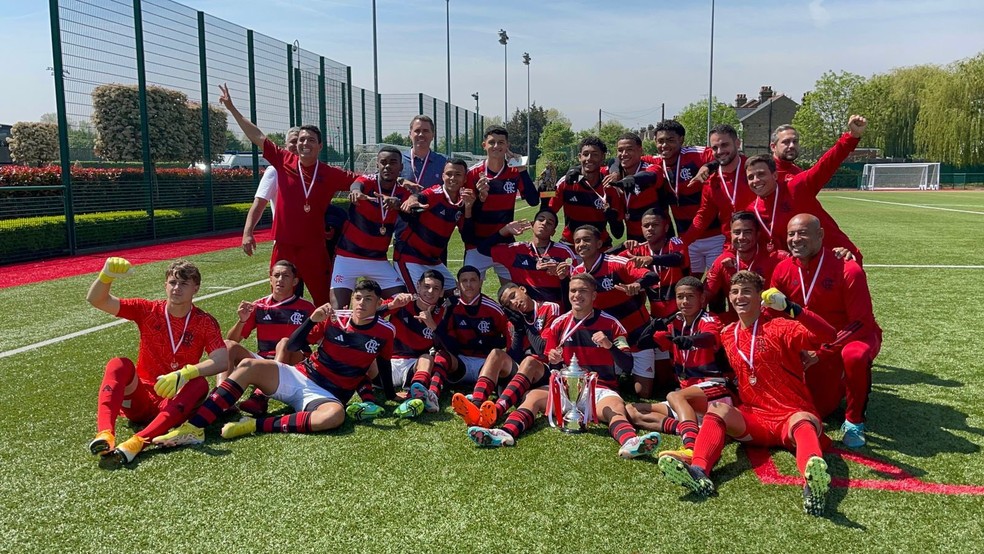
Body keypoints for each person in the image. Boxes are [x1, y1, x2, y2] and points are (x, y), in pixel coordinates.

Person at [658, 270, 838, 516]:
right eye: (734, 291)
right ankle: (699, 472)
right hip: (756, 418)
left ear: (760, 297)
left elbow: (829, 335)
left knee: (803, 421)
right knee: (718, 409)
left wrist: (791, 307)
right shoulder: (728, 334)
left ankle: (813, 485)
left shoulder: (781, 327)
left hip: (791, 414)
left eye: (746, 291)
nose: (739, 296)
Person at [152, 280, 396, 444]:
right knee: (249, 366)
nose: (361, 304)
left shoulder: (386, 331)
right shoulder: (334, 319)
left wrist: (391, 397)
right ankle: (194, 428)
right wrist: (311, 321)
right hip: (301, 376)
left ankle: (255, 424)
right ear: (351, 300)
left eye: (368, 299)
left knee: (334, 417)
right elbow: (292, 345)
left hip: (326, 397)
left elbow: (383, 365)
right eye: (358, 298)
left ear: (378, 304)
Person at [467, 273, 662, 459]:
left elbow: (627, 365)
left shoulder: (612, 324)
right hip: (565, 388)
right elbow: (552, 359)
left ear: (594, 295)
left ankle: (630, 442)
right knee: (533, 397)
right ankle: (504, 432)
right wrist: (553, 357)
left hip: (599, 388)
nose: (577, 295)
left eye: (583, 291)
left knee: (615, 408)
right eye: (573, 291)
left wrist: (610, 346)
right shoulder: (559, 324)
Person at [219, 83, 361, 306]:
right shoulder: (283, 160)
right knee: (279, 299)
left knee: (325, 300)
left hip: (314, 248)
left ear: (320, 146)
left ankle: (329, 340)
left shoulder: (330, 173)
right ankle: (283, 339)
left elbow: (361, 179)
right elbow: (256, 135)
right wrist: (232, 108)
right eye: (301, 139)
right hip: (284, 246)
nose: (305, 143)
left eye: (311, 140)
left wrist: (390, 182)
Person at [86, 258, 228, 465]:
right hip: (141, 399)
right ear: (165, 285)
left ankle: (139, 441)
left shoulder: (204, 322)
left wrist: (185, 374)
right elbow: (97, 300)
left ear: (195, 288)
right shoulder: (147, 310)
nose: (176, 288)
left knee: (199, 384)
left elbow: (222, 360)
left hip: (172, 402)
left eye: (184, 283)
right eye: (172, 282)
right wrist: (105, 276)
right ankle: (105, 434)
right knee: (119, 364)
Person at [769, 214, 882, 447]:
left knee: (854, 356)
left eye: (803, 233)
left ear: (820, 235)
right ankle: (843, 385)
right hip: (809, 342)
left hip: (851, 338)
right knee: (821, 407)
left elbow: (861, 323)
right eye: (791, 234)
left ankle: (854, 420)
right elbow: (773, 316)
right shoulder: (782, 270)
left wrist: (821, 353)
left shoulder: (848, 269)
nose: (796, 239)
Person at [626, 277, 731, 462]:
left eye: (690, 297)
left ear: (702, 300)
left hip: (716, 391)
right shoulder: (675, 323)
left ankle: (690, 448)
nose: (685, 302)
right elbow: (641, 343)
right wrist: (651, 328)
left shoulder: (710, 319)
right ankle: (690, 428)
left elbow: (709, 338)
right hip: (687, 397)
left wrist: (691, 340)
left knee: (674, 396)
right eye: (680, 297)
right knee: (632, 411)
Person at [745, 115, 868, 262]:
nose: (756, 180)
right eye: (786, 142)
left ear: (775, 176)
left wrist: (851, 137)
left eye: (795, 141)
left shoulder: (796, 179)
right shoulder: (754, 202)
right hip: (791, 260)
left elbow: (826, 165)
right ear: (773, 146)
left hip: (830, 250)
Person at [451, 282, 561, 429]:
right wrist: (518, 329)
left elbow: (542, 349)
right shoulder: (514, 321)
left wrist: (525, 325)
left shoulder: (549, 308)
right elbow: (514, 356)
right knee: (496, 353)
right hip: (523, 372)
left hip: (547, 371)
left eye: (513, 296)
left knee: (529, 361)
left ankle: (497, 410)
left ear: (523, 289)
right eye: (509, 304)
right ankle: (476, 405)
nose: (514, 303)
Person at [570, 225, 661, 398]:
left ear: (599, 243)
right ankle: (620, 370)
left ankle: (629, 370)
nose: (582, 244)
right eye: (577, 241)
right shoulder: (577, 272)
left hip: (638, 334)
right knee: (606, 386)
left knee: (644, 393)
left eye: (587, 240)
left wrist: (637, 285)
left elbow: (652, 276)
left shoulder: (616, 263)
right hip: (610, 340)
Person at [618, 120, 718, 276]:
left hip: (714, 235)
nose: (664, 145)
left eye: (670, 140)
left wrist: (707, 167)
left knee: (715, 290)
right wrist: (615, 171)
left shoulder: (696, 154)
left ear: (681, 140)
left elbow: (725, 155)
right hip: (686, 238)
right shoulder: (657, 161)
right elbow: (622, 158)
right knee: (688, 286)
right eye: (660, 141)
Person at [222, 260, 316, 415]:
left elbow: (321, 339)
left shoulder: (307, 308)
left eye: (285, 276)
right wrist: (242, 320)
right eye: (276, 275)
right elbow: (233, 340)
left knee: (286, 342)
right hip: (265, 360)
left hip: (294, 363)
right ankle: (223, 399)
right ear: (270, 279)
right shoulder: (258, 306)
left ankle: (260, 398)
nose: (280, 279)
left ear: (295, 281)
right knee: (228, 345)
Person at [610, 208, 689, 390]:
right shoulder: (637, 249)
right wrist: (623, 246)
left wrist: (651, 260)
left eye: (655, 225)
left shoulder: (675, 242)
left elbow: (678, 258)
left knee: (675, 378)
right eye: (646, 225)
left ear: (666, 226)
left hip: (681, 315)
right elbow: (608, 258)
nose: (650, 229)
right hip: (657, 320)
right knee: (662, 382)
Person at [330, 146, 412, 309]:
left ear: (401, 167)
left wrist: (399, 205)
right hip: (348, 257)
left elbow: (413, 212)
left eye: (393, 162)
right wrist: (355, 193)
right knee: (338, 310)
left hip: (377, 259)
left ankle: (373, 323)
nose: (387, 166)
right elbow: (356, 185)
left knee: (403, 301)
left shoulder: (403, 194)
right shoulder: (368, 182)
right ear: (377, 165)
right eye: (383, 162)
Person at [464, 126, 541, 282]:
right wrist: (480, 197)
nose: (496, 146)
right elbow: (467, 211)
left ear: (507, 146)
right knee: (469, 293)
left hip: (504, 242)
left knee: (512, 295)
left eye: (501, 142)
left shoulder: (515, 172)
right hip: (477, 245)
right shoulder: (473, 173)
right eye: (492, 142)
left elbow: (533, 201)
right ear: (484, 145)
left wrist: (522, 170)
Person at [428, 266, 511, 401]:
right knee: (441, 355)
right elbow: (441, 340)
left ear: (480, 282)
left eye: (473, 280)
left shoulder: (493, 309)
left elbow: (508, 337)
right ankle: (431, 395)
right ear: (457, 284)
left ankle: (477, 400)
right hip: (460, 362)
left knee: (496, 356)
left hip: (485, 365)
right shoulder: (449, 306)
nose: (468, 285)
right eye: (464, 281)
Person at [394, 159, 475, 295]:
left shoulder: (463, 202)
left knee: (458, 295)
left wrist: (468, 208)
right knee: (418, 300)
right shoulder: (436, 193)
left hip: (433, 261)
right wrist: (413, 199)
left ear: (465, 178)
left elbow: (467, 236)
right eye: (449, 174)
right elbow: (421, 197)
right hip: (410, 257)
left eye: (458, 174)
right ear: (443, 176)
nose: (452, 178)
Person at [471, 210, 577, 306]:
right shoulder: (516, 250)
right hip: (525, 311)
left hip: (555, 311)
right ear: (532, 224)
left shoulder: (564, 252)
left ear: (553, 232)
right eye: (540, 219)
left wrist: (563, 274)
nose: (544, 223)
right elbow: (482, 249)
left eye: (549, 223)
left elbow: (577, 280)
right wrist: (505, 230)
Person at [704, 212, 789, 325]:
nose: (741, 237)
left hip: (771, 323)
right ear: (731, 234)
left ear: (757, 234)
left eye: (747, 232)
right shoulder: (722, 261)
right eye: (737, 232)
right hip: (737, 323)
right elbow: (704, 296)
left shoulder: (778, 259)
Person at [383, 270, 447, 417]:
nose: (430, 292)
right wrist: (391, 306)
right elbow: (370, 315)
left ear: (442, 292)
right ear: (418, 286)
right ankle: (366, 401)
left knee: (427, 358)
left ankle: (416, 394)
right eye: (426, 286)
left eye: (436, 288)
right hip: (386, 363)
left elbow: (447, 348)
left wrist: (433, 326)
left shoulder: (443, 312)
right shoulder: (402, 301)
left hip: (413, 367)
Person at [680, 124, 755, 249]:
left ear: (737, 143)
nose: (720, 151)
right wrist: (683, 242)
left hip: (761, 242)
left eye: (725, 145)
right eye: (715, 147)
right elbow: (704, 216)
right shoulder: (711, 182)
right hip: (732, 245)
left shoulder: (754, 171)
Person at [548, 136, 626, 246]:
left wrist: (611, 216)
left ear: (602, 158)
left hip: (600, 246)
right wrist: (543, 192)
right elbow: (548, 211)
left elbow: (618, 233)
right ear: (579, 157)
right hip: (571, 245)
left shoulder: (611, 188)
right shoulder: (566, 182)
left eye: (595, 154)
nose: (589, 158)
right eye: (585, 154)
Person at [241, 126, 299, 257]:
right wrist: (247, 233)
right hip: (285, 243)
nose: (296, 145)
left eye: (299, 141)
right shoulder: (274, 171)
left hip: (311, 242)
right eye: (293, 142)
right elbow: (259, 204)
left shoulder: (312, 171)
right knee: (283, 277)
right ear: (285, 145)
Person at [602, 132, 657, 241]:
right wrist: (575, 170)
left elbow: (652, 175)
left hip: (657, 239)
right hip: (632, 241)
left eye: (629, 149)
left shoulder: (651, 168)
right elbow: (591, 169)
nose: (624, 154)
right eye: (620, 150)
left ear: (640, 151)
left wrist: (633, 179)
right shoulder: (612, 173)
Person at [401, 115, 447, 189]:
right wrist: (400, 180)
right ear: (410, 134)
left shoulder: (444, 162)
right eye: (417, 131)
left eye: (425, 131)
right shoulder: (399, 159)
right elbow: (381, 179)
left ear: (433, 135)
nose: (421, 134)